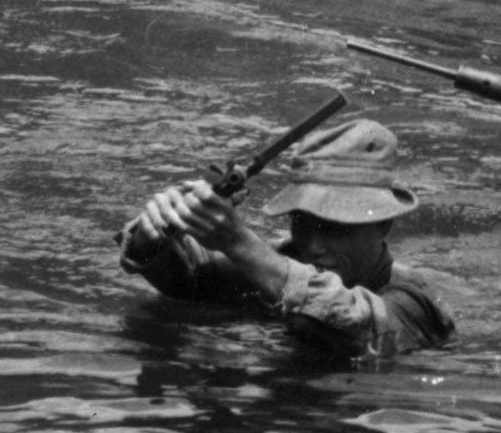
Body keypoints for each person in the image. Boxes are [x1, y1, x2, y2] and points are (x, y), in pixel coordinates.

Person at [117, 119, 454, 358]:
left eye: (336, 227)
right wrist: (157, 235)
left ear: (384, 225)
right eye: (302, 222)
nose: (314, 245)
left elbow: (358, 326)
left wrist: (238, 242)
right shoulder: (285, 260)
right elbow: (193, 279)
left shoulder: (415, 303)